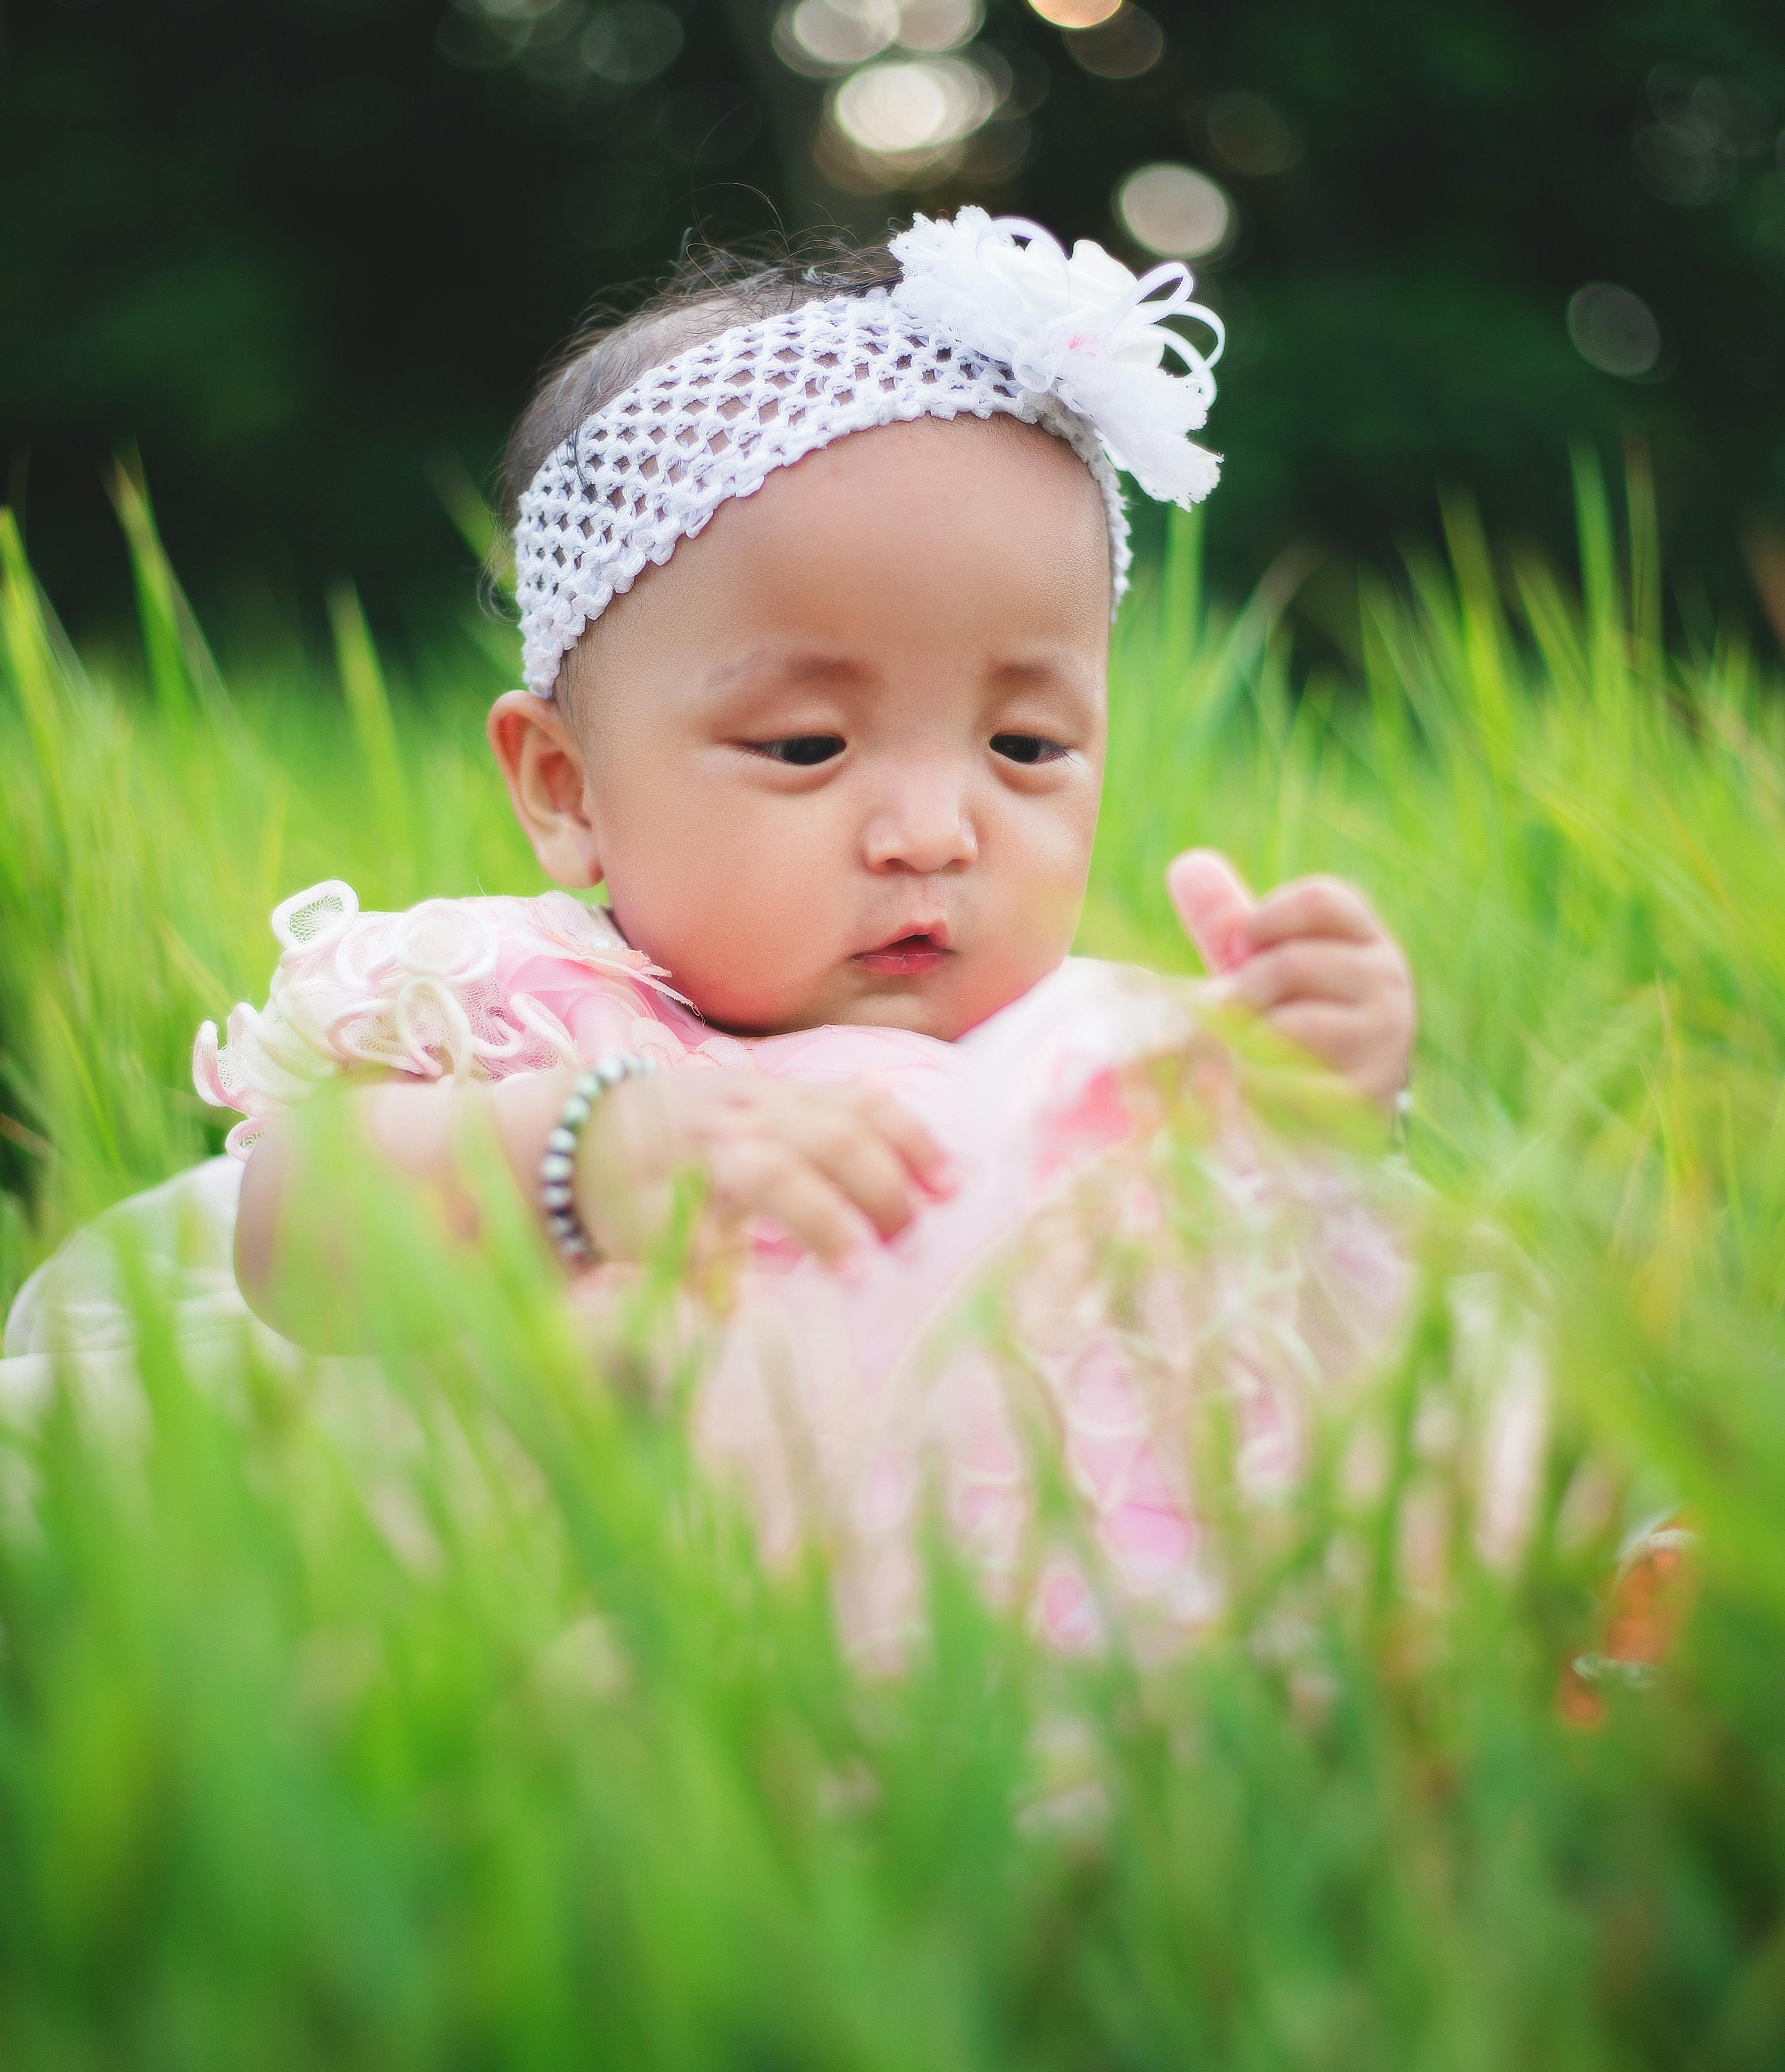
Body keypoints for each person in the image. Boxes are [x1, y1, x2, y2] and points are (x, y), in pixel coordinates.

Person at [23, 213, 1421, 1654]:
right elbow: (300, 1236)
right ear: (569, 790)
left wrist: (1321, 1102)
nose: (936, 829)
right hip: (610, 1617)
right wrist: (583, 1157)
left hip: (1044, 1603)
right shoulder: (544, 1023)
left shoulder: (1103, 1064)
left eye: (1025, 742)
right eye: (810, 744)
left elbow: (1286, 1319)